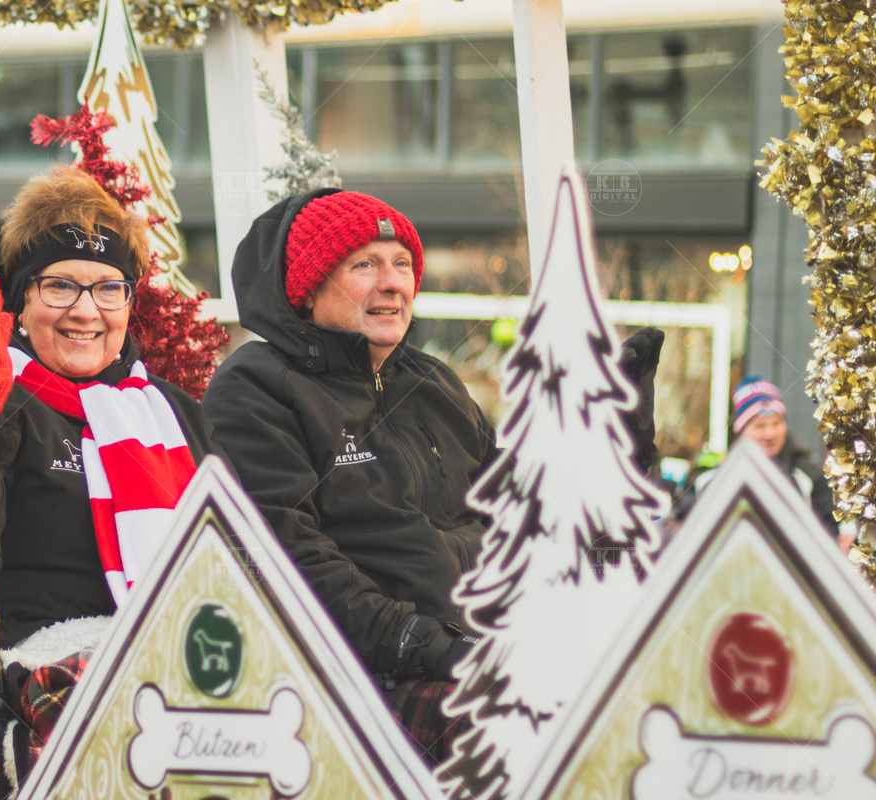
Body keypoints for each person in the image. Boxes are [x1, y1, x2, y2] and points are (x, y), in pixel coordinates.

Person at [200, 189, 664, 761]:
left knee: (655, 703)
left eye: (401, 264)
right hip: (357, 677)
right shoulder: (254, 389)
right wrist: (424, 644)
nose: (392, 283)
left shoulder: (432, 381)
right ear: (309, 286)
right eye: (364, 265)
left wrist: (613, 449)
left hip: (484, 642)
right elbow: (283, 559)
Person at [0, 166, 220, 783]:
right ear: (22, 299)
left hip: (171, 650)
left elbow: (229, 551)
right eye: (59, 287)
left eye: (108, 289)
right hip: (41, 659)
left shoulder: (171, 412)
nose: (86, 311)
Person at [676, 376, 844, 547]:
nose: (770, 434)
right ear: (741, 430)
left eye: (776, 423)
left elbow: (831, 537)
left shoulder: (809, 477)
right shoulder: (709, 481)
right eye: (760, 426)